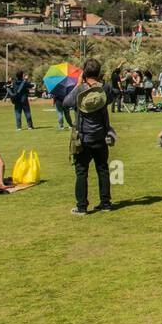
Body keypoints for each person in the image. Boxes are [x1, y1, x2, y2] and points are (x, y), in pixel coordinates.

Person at [65, 58, 115, 215]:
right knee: (103, 170)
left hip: (83, 138)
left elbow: (66, 103)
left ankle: (81, 206)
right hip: (101, 136)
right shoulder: (104, 89)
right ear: (98, 73)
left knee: (81, 172)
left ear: (84, 73)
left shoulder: (80, 91)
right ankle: (105, 203)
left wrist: (78, 84)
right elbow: (112, 97)